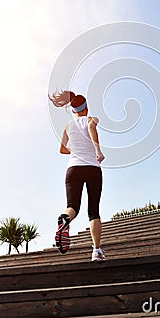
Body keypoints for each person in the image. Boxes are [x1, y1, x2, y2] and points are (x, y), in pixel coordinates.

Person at [48, 90, 105, 262]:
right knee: (93, 211)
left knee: (72, 206)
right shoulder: (91, 119)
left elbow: (61, 149)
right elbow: (91, 127)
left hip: (73, 169)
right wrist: (97, 150)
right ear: (86, 108)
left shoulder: (68, 126)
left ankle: (65, 219)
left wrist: (76, 151)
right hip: (92, 168)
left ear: (73, 110)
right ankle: (96, 251)